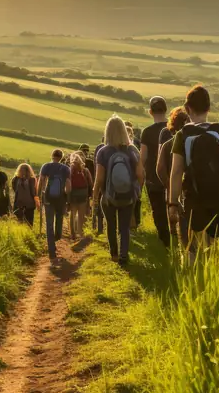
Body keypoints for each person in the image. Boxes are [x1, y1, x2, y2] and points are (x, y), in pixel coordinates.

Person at [169, 84, 219, 259]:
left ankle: (196, 278)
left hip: (194, 198)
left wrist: (173, 203)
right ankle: (217, 274)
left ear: (187, 109)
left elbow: (176, 171)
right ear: (209, 108)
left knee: (194, 246)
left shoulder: (183, 135)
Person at [92, 115, 145, 266]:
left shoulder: (103, 151)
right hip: (128, 195)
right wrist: (137, 190)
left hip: (108, 196)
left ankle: (114, 253)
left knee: (111, 224)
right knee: (124, 226)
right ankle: (124, 256)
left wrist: (95, 195)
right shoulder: (132, 150)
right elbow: (141, 174)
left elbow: (100, 178)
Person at [139, 95, 171, 247]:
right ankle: (177, 239)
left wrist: (138, 176)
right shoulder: (173, 129)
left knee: (158, 212)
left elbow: (143, 158)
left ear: (150, 112)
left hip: (153, 179)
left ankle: (165, 244)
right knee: (174, 208)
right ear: (166, 110)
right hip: (173, 177)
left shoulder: (147, 132)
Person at [156, 106, 189, 240]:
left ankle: (176, 245)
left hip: (171, 190)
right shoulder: (194, 141)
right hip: (191, 189)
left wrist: (169, 185)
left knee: (175, 224)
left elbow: (159, 169)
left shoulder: (167, 145)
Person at [38, 148, 71, 262]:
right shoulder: (66, 168)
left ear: (52, 156)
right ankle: (57, 236)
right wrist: (67, 197)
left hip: (48, 198)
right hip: (60, 199)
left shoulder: (46, 166)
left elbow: (41, 181)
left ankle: (52, 251)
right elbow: (68, 185)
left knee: (49, 223)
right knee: (59, 219)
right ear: (61, 157)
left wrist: (39, 195)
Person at [69, 152, 93, 241]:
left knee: (72, 214)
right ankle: (80, 232)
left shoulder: (69, 170)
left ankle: (72, 234)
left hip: (72, 195)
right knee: (81, 214)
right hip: (83, 195)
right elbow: (90, 183)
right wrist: (90, 195)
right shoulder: (85, 170)